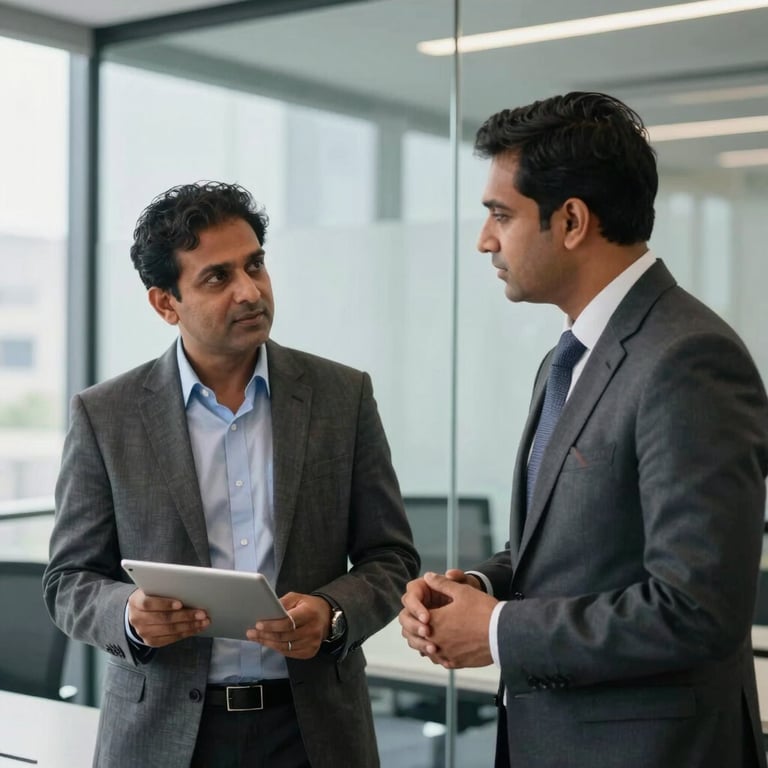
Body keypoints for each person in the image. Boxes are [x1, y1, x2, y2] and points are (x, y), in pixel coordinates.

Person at [399, 92, 768, 768]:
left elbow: (696, 607)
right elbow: (566, 547)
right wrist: (479, 588)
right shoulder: (567, 359)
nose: (485, 240)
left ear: (571, 221)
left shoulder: (688, 359)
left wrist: (501, 631)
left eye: (501, 216)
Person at [43, 181, 419, 768]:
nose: (250, 291)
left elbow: (391, 558)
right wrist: (129, 615)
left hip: (313, 729)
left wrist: (334, 612)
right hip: (164, 733)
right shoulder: (105, 415)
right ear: (166, 304)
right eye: (217, 278)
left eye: (256, 265)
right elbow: (68, 581)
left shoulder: (342, 396)